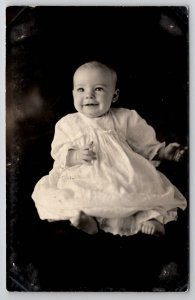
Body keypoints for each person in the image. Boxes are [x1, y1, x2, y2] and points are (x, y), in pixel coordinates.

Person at [32, 61, 187, 237]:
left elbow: (144, 143)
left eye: (98, 89)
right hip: (85, 175)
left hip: (122, 174)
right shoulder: (68, 123)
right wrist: (74, 155)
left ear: (114, 95)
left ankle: (149, 218)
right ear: (73, 93)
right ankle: (90, 221)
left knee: (134, 193)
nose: (89, 95)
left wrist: (162, 152)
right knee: (79, 195)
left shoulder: (125, 117)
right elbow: (58, 150)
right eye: (81, 90)